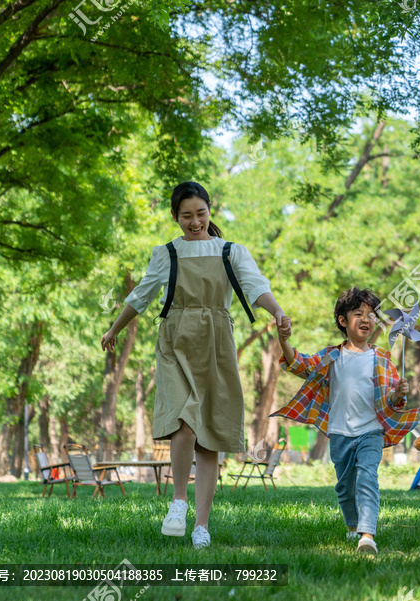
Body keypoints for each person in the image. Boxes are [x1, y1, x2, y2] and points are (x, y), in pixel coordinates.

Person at [100, 181, 289, 549]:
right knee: (183, 424)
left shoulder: (230, 251)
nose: (194, 221)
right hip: (175, 340)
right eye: (186, 215)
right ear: (176, 217)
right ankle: (178, 502)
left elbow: (254, 286)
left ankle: (201, 525)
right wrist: (114, 329)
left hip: (217, 340)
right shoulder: (166, 253)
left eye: (200, 213)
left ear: (209, 210)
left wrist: (278, 311)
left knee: (210, 436)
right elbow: (142, 295)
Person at [272, 287, 418, 555]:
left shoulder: (382, 358)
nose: (366, 319)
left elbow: (392, 402)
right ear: (343, 320)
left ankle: (367, 535)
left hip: (371, 432)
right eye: (358, 313)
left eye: (372, 314)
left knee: (367, 478)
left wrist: (398, 394)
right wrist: (283, 341)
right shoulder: (332, 356)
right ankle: (352, 526)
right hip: (339, 433)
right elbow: (299, 364)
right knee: (344, 487)